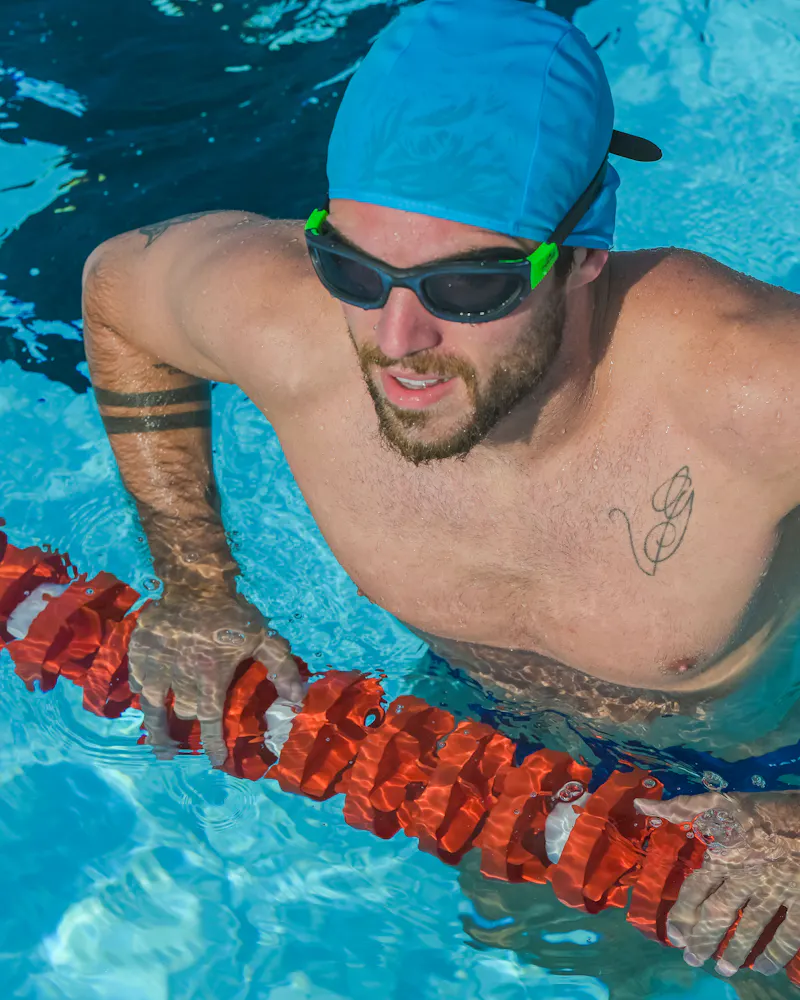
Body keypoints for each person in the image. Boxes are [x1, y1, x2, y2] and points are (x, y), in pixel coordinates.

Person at [81, 0, 800, 981]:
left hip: (770, 765)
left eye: (467, 291)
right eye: (352, 268)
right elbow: (119, 291)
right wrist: (200, 585)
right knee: (524, 951)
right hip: (489, 732)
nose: (395, 339)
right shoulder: (287, 322)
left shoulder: (753, 389)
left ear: (583, 255)